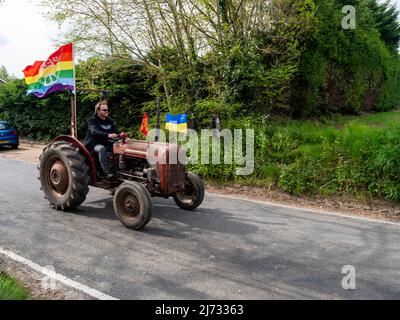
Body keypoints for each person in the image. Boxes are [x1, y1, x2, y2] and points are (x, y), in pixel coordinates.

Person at [84, 100, 119, 179]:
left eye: (107, 110)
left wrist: (121, 136)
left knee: (119, 146)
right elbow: (95, 132)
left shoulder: (109, 121)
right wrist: (108, 135)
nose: (107, 111)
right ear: (98, 111)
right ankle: (106, 172)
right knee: (102, 149)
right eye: (104, 110)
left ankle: (118, 169)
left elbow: (115, 132)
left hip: (106, 142)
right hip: (94, 144)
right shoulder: (92, 121)